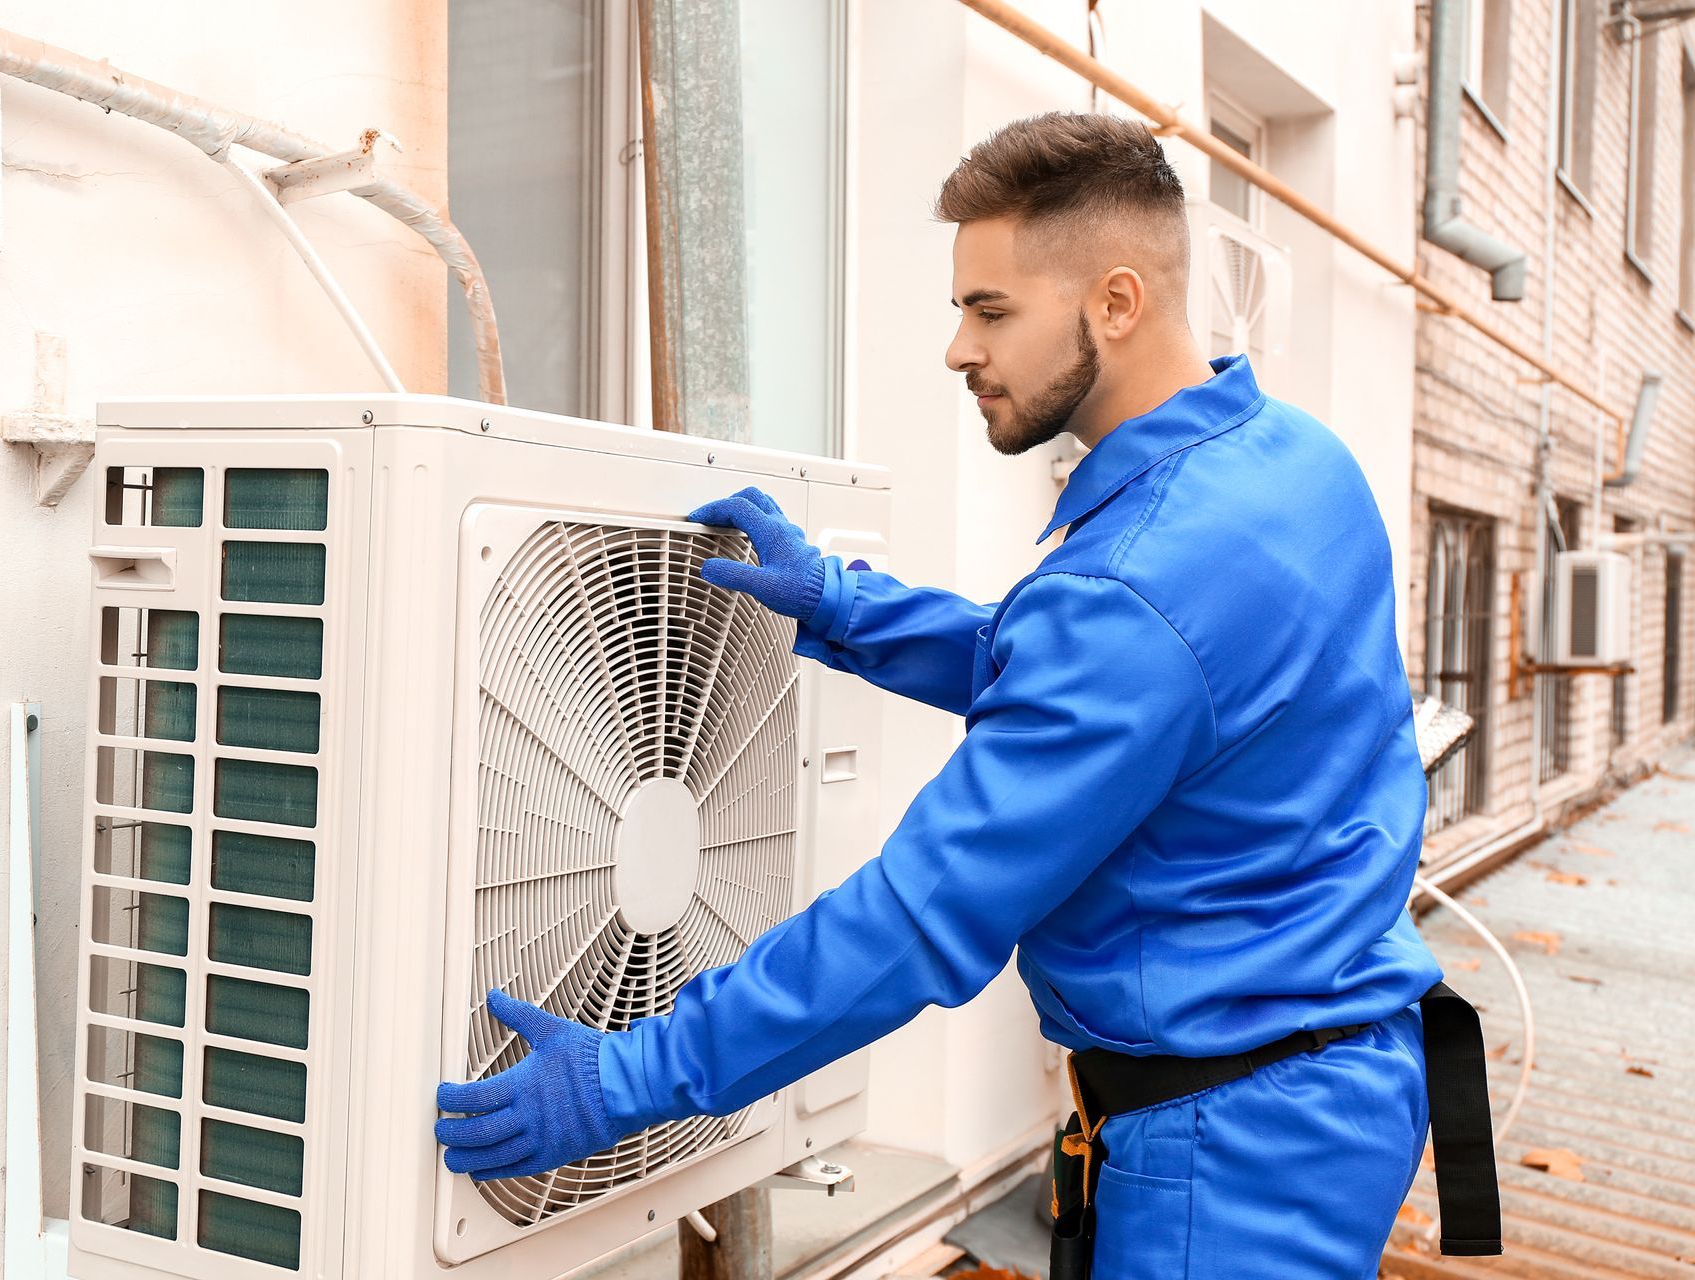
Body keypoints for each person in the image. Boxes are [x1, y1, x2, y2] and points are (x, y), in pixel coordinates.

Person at [436, 112, 1498, 1278]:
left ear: (1117, 301)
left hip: (1227, 1150)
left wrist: (624, 1077)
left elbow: (919, 915)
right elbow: (1121, 691)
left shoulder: (1133, 586)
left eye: (990, 311)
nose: (956, 348)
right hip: (1341, 1078)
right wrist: (843, 605)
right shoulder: (1295, 462)